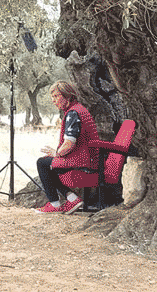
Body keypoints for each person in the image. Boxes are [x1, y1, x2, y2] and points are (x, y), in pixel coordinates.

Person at [35, 80, 99, 214]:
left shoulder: (73, 113)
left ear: (68, 96)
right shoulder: (78, 109)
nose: (53, 100)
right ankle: (73, 199)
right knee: (49, 163)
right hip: (89, 160)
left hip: (83, 163)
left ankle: (55, 204)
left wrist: (56, 153)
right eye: (52, 97)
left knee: (42, 163)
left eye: (56, 96)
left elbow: (69, 143)